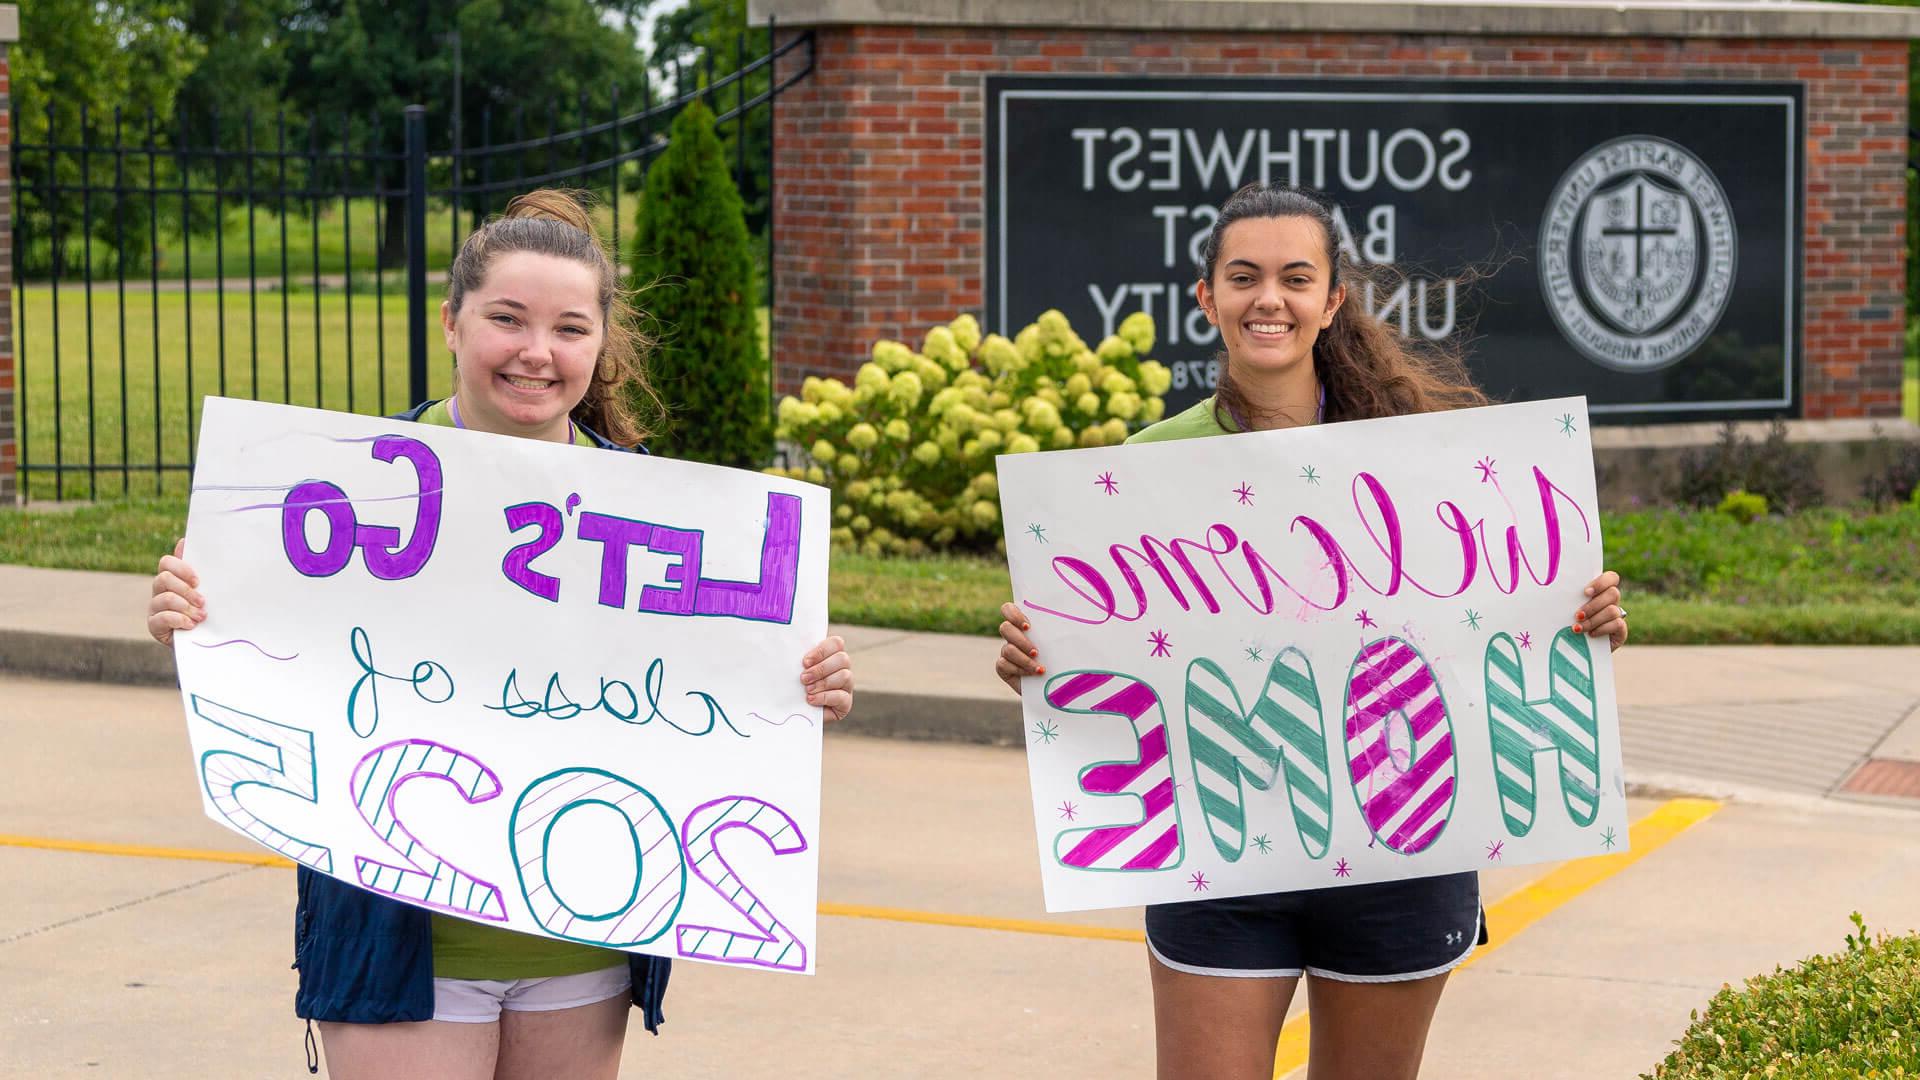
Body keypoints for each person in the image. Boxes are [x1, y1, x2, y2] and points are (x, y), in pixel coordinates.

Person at [145, 189, 855, 1080]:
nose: (536, 352)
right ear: (452, 323)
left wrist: (804, 682)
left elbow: (711, 697)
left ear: (599, 346)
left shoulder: (672, 514)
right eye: (506, 319)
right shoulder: (334, 489)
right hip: (396, 939)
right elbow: (277, 652)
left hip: (583, 939)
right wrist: (197, 624)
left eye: (568, 328)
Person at [993, 182, 1629, 1080]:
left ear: (1333, 300)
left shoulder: (1428, 457)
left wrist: (1586, 619)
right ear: (1207, 297)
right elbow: (1095, 670)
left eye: (1297, 278)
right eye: (1244, 277)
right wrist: (1037, 658)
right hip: (1221, 850)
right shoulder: (1142, 472)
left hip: (1402, 846)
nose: (1270, 300)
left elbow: (1513, 618)